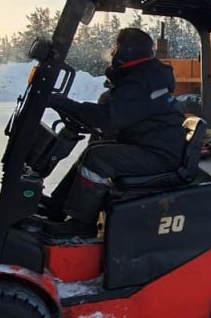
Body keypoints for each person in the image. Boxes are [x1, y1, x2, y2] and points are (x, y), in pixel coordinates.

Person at [46, 27, 186, 235]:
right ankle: (56, 207)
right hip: (152, 145)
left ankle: (80, 226)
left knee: (98, 158)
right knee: (92, 151)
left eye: (117, 47)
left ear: (128, 51)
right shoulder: (143, 76)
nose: (113, 53)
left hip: (159, 154)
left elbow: (110, 117)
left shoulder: (143, 81)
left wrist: (67, 105)